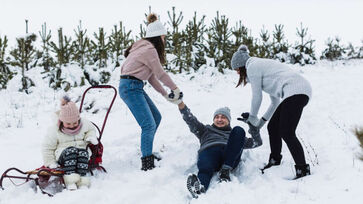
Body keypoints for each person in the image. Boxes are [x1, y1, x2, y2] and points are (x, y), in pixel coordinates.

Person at [231, 45, 312, 179]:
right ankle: (275, 160)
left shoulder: (253, 66)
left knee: (287, 132)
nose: (237, 74)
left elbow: (257, 96)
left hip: (296, 90)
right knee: (273, 127)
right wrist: (259, 124)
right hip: (297, 91)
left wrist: (252, 117)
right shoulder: (262, 68)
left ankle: (302, 169)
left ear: (242, 66)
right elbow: (274, 103)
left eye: (237, 70)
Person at [119, 13, 182, 171]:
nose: (164, 40)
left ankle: (147, 151)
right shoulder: (149, 50)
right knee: (148, 125)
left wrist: (165, 94)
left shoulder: (143, 47)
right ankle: (147, 163)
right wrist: (175, 88)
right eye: (163, 37)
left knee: (156, 118)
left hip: (134, 86)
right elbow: (161, 74)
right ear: (158, 37)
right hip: (130, 87)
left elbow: (152, 77)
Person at [175, 101, 262, 198]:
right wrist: (181, 105)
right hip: (209, 153)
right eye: (217, 117)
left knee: (239, 130)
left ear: (229, 120)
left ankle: (225, 171)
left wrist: (253, 126)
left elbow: (257, 142)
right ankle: (199, 188)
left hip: (229, 157)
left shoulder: (234, 135)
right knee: (205, 168)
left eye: (223, 117)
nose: (219, 119)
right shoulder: (205, 130)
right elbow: (190, 120)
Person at [42, 96, 98, 190]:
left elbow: (91, 130)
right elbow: (47, 147)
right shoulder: (54, 130)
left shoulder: (84, 123)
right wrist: (50, 162)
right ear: (62, 120)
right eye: (68, 124)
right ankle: (70, 181)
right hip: (63, 154)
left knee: (83, 152)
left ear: (78, 119)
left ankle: (82, 181)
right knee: (71, 151)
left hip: (80, 151)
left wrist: (90, 136)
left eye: (75, 123)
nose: (72, 126)